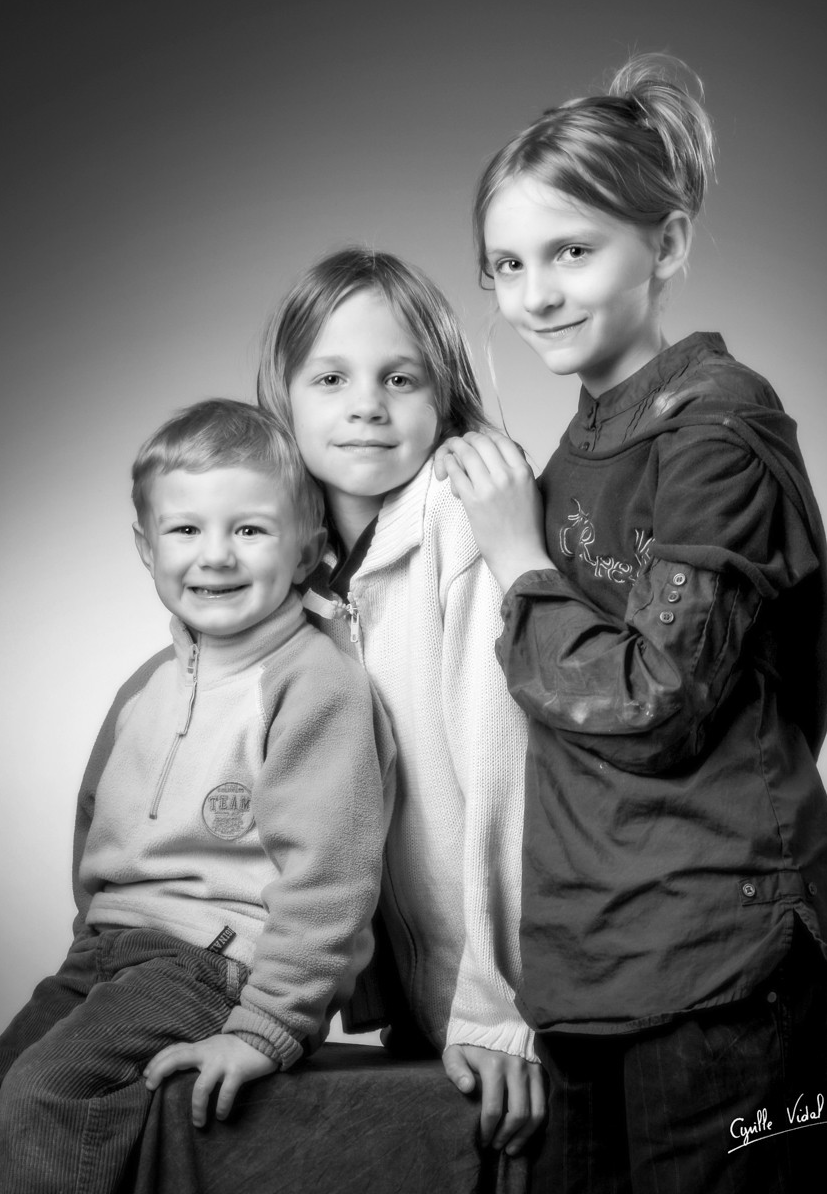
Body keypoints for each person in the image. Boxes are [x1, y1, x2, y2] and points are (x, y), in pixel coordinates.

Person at [436, 53, 827, 1194]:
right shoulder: (575, 450)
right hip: (590, 961)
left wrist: (516, 557)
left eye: (573, 251)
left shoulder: (718, 427)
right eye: (505, 266)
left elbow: (657, 700)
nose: (535, 294)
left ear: (664, 246)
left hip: (723, 956)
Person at [0, 399, 393, 1194]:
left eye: (249, 529)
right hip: (106, 956)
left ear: (308, 546)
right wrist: (94, 933)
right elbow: (95, 822)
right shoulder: (146, 685)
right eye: (185, 531)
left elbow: (331, 877)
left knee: (47, 1096)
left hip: (214, 965)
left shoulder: (315, 685)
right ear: (146, 548)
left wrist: (273, 1023)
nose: (215, 556)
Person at [257, 247, 544, 1158]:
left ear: (444, 394)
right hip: (425, 1008)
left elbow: (511, 777)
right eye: (331, 377)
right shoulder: (298, 572)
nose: (366, 405)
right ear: (286, 397)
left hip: (505, 1000)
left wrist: (502, 1011)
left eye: (400, 377)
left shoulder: (457, 519)